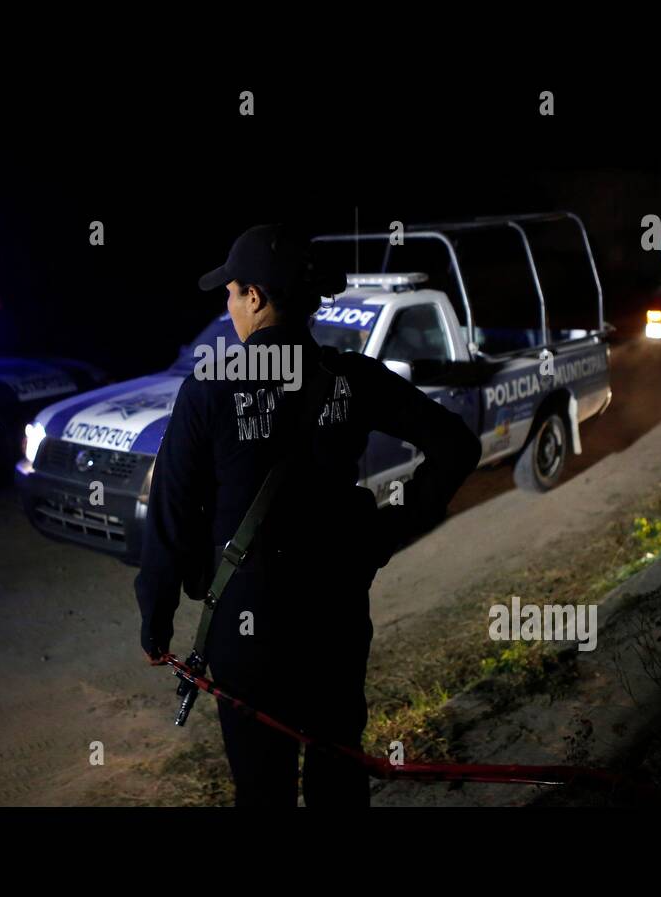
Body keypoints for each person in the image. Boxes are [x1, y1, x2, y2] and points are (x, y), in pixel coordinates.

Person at [135, 223, 480, 806]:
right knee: (337, 771)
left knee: (261, 787)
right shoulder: (355, 379)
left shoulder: (209, 389)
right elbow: (457, 447)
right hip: (334, 617)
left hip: (247, 626)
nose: (228, 302)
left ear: (256, 298)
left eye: (232, 290)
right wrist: (390, 529)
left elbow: (171, 508)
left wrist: (157, 613)